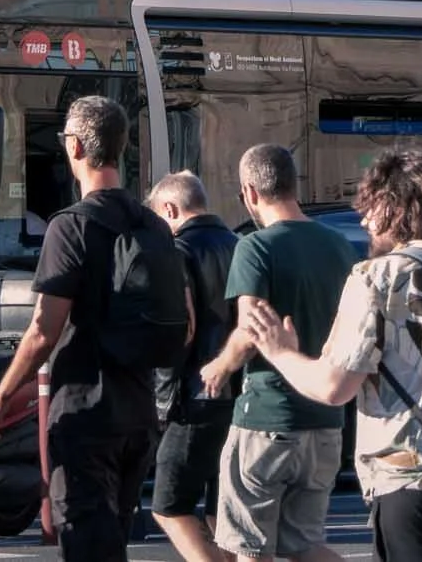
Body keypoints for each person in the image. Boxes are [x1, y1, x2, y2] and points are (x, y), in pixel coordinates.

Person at [237, 148, 422, 562]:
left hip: (415, 482)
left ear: (395, 208)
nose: (364, 221)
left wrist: (280, 352)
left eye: (370, 208)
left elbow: (333, 387)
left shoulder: (377, 278)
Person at [0, 96, 170, 562]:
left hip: (87, 414)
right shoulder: (154, 225)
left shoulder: (70, 228)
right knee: (112, 543)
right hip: (139, 414)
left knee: (86, 545)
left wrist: (2, 395)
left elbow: (44, 330)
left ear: (76, 149)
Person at [197, 144, 352, 562]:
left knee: (249, 548)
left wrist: (218, 366)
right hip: (325, 420)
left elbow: (251, 330)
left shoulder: (256, 247)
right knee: (306, 547)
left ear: (249, 192)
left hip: (267, 418)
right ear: (293, 184)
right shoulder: (339, 246)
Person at [145, 170, 240, 562]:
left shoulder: (178, 252)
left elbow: (180, 332)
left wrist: (163, 402)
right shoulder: (240, 245)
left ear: (170, 208)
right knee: (224, 510)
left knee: (168, 504)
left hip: (195, 394)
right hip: (240, 392)